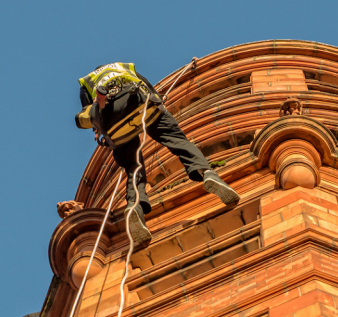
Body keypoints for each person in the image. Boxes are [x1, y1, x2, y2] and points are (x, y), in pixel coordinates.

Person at [75, 62, 239, 247]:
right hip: (141, 106)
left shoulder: (87, 82)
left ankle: (134, 206)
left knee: (133, 167)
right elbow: (146, 86)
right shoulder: (123, 67)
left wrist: (99, 129)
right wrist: (159, 103)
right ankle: (206, 173)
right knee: (178, 141)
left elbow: (88, 115)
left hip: (114, 124)